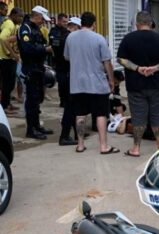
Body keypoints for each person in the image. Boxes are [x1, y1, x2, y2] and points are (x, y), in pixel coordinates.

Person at [118, 11, 159, 157]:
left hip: (136, 85)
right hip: (157, 84)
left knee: (138, 117)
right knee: (158, 117)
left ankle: (136, 149)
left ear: (137, 24)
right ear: (151, 23)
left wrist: (137, 68)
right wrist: (155, 68)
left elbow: (121, 60)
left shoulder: (128, 39)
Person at [64, 11, 118, 154]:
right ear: (94, 23)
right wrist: (111, 81)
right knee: (101, 114)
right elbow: (107, 62)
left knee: (80, 115)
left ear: (81, 23)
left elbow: (67, 57)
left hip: (77, 84)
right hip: (97, 84)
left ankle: (80, 145)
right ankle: (103, 146)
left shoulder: (70, 37)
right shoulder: (99, 39)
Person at [19, 6, 54, 140]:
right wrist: (45, 50)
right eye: (42, 19)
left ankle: (37, 125)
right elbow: (27, 48)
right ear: (37, 16)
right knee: (32, 101)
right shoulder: (25, 29)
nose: (43, 22)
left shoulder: (36, 28)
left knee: (38, 99)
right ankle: (31, 129)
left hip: (38, 68)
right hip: (30, 70)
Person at [56, 17, 81, 146]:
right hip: (68, 75)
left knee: (71, 106)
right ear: (75, 27)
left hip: (63, 75)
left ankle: (76, 133)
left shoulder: (62, 36)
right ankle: (64, 136)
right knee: (71, 107)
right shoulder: (70, 39)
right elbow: (69, 58)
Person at [0, 7, 24, 115]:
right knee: (7, 84)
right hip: (6, 58)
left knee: (10, 83)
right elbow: (3, 38)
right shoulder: (9, 24)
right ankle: (4, 106)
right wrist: (12, 54)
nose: (21, 19)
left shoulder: (12, 24)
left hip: (8, 57)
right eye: (19, 16)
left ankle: (7, 103)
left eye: (22, 17)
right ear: (13, 15)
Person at [49, 13, 70, 108]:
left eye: (67, 21)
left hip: (68, 61)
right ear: (59, 21)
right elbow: (55, 44)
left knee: (68, 82)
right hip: (59, 61)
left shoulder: (67, 31)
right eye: (64, 21)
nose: (66, 23)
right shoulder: (54, 31)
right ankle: (63, 100)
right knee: (62, 82)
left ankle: (68, 99)